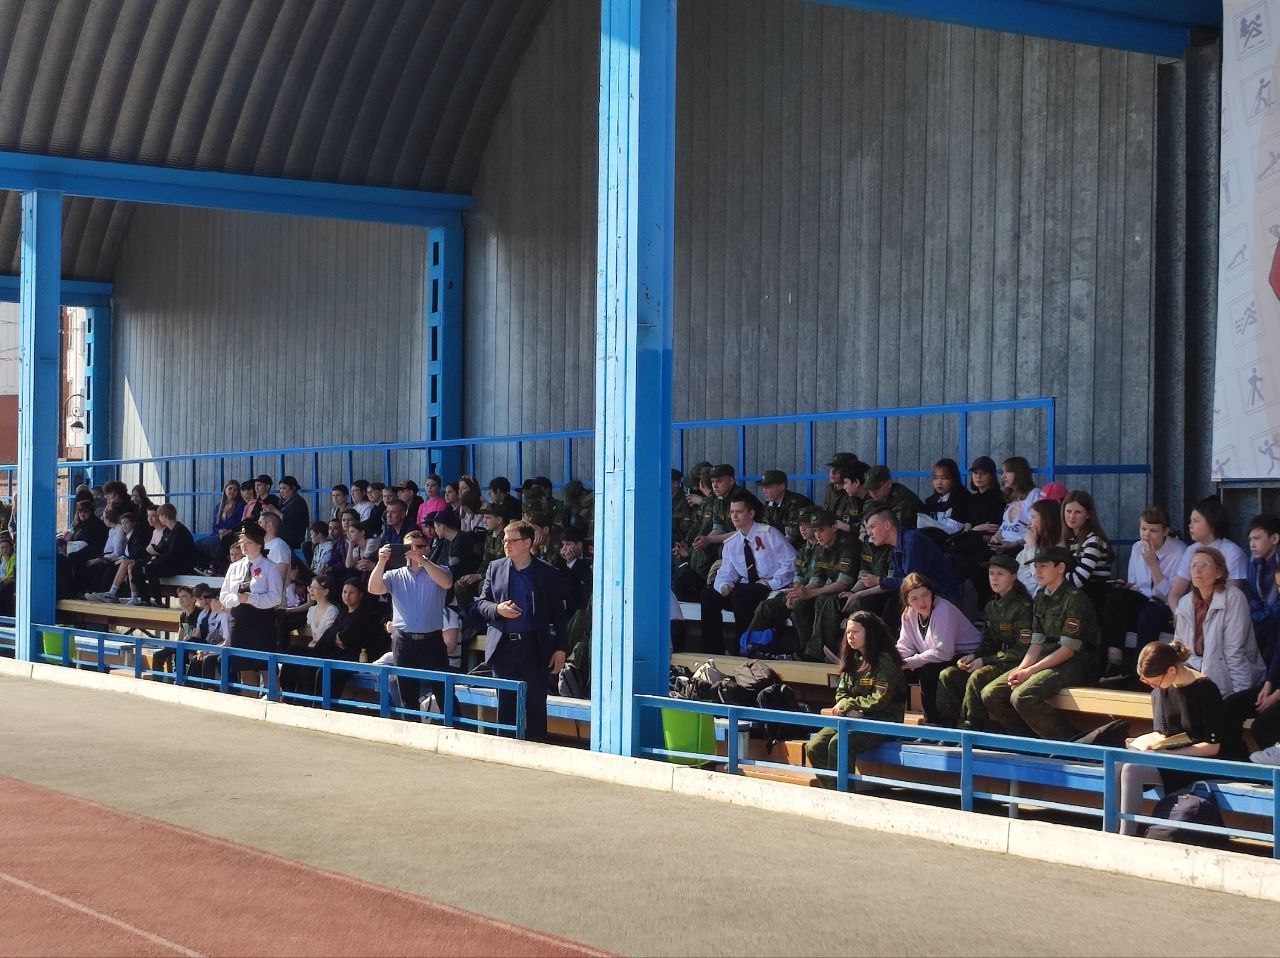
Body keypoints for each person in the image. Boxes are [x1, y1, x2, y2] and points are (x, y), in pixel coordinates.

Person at [1117, 640, 1239, 837]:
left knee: (1132, 770)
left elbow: (1213, 746)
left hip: (1202, 759)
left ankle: (1125, 836)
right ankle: (1112, 830)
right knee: (1117, 763)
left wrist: (1171, 753)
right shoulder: (1161, 690)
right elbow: (1163, 733)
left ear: (1172, 670)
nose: (1153, 687)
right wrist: (1141, 741)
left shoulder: (1205, 689)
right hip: (1172, 754)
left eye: (1155, 682)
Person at [981, 546, 1100, 740]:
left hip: (1076, 662)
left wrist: (1030, 671)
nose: (1037, 571)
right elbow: (1036, 643)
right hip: (1047, 657)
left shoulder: (1074, 599)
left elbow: (1068, 650)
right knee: (991, 693)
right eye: (1035, 566)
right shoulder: (1041, 596)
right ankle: (1028, 741)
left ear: (1060, 568)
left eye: (1043, 566)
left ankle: (1070, 742)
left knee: (1022, 696)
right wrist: (1021, 670)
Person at [474, 520, 569, 742]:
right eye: (505, 540)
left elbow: (559, 614)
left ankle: (537, 750)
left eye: (512, 541)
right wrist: (498, 609)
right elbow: (481, 604)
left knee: (535, 705)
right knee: (506, 705)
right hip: (504, 646)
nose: (506, 545)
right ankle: (505, 751)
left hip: (534, 646)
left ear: (527, 543)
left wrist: (561, 649)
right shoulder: (495, 568)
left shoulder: (547, 572)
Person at [803, 612, 907, 783]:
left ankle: (845, 792)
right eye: (848, 632)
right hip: (853, 718)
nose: (850, 636)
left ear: (870, 633)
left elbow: (879, 699)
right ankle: (831, 789)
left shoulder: (884, 661)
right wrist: (846, 706)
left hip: (883, 721)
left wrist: (850, 706)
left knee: (838, 744)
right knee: (814, 746)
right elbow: (842, 692)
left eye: (855, 632)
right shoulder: (853, 658)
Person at [936, 554, 1035, 729]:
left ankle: (972, 726)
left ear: (1013, 576)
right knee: (948, 675)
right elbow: (988, 643)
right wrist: (973, 656)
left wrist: (985, 660)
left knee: (978, 676)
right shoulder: (992, 605)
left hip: (1015, 663)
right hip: (995, 660)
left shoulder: (1023, 606)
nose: (994, 578)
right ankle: (948, 727)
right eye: (991, 573)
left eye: (1000, 574)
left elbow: (1022, 650)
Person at [748, 508, 855, 662]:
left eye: (821, 530)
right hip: (817, 591)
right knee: (767, 606)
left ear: (833, 527)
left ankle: (811, 655)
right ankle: (750, 647)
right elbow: (816, 579)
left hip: (841, 594)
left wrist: (807, 593)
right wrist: (795, 593)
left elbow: (843, 583)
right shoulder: (817, 547)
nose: (817, 534)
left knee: (811, 602)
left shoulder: (846, 545)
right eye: (815, 530)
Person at [368, 528, 453, 719]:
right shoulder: (395, 574)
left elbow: (447, 582)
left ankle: (459, 730)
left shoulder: (440, 570)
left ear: (427, 549)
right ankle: (411, 729)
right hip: (404, 641)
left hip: (432, 640)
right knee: (407, 694)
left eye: (419, 546)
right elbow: (373, 589)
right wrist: (381, 561)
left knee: (444, 692)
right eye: (408, 548)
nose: (414, 551)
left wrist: (423, 560)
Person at [699, 492, 797, 656]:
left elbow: (791, 562)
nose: (734, 516)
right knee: (708, 595)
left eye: (739, 511)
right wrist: (724, 585)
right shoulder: (732, 542)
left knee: (741, 596)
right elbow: (726, 571)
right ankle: (712, 651)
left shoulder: (768, 533)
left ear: (751, 513)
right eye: (732, 512)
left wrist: (770, 583)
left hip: (770, 587)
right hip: (747, 588)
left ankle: (741, 649)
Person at [1100, 507, 1188, 684]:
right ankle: (1113, 661)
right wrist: (1127, 587)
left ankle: (1139, 673)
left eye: (1153, 530)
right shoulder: (1137, 547)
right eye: (1143, 529)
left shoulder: (1179, 551)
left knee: (1148, 615)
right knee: (1115, 596)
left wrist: (1153, 564)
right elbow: (1136, 584)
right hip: (1143, 598)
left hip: (1165, 605)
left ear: (1165, 531)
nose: (1146, 535)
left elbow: (1170, 594)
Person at [1172, 547, 1263, 698]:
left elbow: (1235, 652)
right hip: (1195, 674)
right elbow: (1180, 648)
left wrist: (1240, 696)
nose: (1197, 570)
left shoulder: (1233, 598)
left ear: (1219, 573)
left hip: (1226, 677)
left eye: (1204, 565)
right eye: (1193, 565)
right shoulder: (1185, 603)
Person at [895, 573, 981, 724]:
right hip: (938, 656)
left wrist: (910, 662)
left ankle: (934, 722)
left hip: (967, 655)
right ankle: (892, 719)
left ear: (932, 593)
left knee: (928, 672)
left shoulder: (943, 610)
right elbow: (905, 645)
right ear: (907, 601)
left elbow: (944, 652)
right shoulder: (908, 614)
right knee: (894, 670)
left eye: (925, 595)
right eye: (914, 599)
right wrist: (893, 659)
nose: (921, 602)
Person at [219, 522, 286, 686]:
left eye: (248, 542)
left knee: (266, 666)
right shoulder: (234, 567)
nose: (243, 546)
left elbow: (276, 597)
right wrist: (237, 599)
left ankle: (273, 696)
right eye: (241, 542)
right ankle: (249, 698)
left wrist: (252, 599)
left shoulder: (270, 567)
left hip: (261, 621)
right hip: (240, 621)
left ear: (258, 544)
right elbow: (224, 596)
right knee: (244, 666)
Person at [862, 506, 962, 608]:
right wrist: (859, 594)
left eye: (872, 527)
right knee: (875, 602)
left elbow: (913, 582)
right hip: (923, 597)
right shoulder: (895, 549)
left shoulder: (912, 541)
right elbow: (897, 582)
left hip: (941, 598)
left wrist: (878, 580)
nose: (869, 533)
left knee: (891, 604)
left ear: (887, 525)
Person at [1166, 497, 1249, 616]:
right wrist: (1180, 617)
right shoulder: (1191, 550)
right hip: (1194, 614)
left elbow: (1232, 598)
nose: (1190, 525)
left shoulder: (1232, 553)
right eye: (1190, 521)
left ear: (1212, 523)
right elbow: (1175, 594)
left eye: (1196, 521)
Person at [1060, 490, 1113, 614]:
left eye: (1078, 512)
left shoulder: (1094, 541)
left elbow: (1078, 581)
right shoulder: (1069, 540)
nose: (1071, 516)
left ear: (1088, 515)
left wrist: (1055, 577)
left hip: (1093, 601)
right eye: (1068, 511)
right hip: (1076, 598)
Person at [138, 503, 197, 606]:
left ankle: (157, 601)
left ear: (164, 516)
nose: (159, 519)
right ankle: (144, 599)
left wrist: (155, 558)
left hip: (181, 565)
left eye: (159, 516)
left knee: (150, 568)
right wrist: (154, 550)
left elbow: (172, 554)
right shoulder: (169, 531)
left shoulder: (179, 531)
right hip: (170, 562)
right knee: (137, 566)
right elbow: (161, 547)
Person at [987, 456, 1042, 553]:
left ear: (1019, 473)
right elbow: (1005, 525)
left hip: (1021, 548)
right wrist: (995, 537)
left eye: (1007, 472)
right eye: (1003, 472)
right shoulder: (1010, 496)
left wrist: (1014, 544)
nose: (1003, 476)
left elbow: (1037, 529)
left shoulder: (1034, 494)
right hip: (1004, 544)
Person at [1246, 513, 1280, 662]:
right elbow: (1255, 597)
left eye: (1257, 538)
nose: (1252, 544)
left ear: (1274, 539)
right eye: (1250, 539)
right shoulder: (1255, 563)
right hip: (1264, 622)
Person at [1014, 499, 1063, 598]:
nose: (1030, 522)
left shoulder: (1060, 547)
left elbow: (1040, 579)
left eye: (1033, 517)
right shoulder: (1036, 541)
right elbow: (1018, 571)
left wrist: (1032, 546)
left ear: (1045, 520)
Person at [758, 470, 813, 548]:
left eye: (768, 487)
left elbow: (791, 537)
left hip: (798, 548)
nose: (764, 491)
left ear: (781, 487)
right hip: (778, 546)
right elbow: (764, 527)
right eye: (763, 487)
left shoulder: (796, 503)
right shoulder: (770, 502)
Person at [860, 465, 922, 530]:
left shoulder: (902, 497)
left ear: (889, 483)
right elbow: (865, 519)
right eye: (869, 489)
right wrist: (863, 531)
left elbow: (897, 528)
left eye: (876, 488)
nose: (872, 493)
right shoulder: (872, 497)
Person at [921, 458, 970, 535]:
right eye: (935, 478)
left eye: (944, 478)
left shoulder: (963, 499)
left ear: (954, 479)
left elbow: (954, 529)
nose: (939, 482)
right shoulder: (930, 501)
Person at [964, 456, 1006, 534]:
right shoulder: (972, 498)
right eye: (975, 473)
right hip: (971, 537)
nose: (978, 477)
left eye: (983, 473)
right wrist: (975, 529)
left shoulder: (1000, 498)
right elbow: (967, 528)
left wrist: (973, 531)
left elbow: (993, 529)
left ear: (992, 476)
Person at [275, 477, 310, 551]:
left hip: (293, 540)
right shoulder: (282, 502)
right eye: (280, 489)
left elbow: (289, 521)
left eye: (284, 488)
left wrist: (275, 511)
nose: (281, 491)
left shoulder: (298, 502)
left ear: (293, 488)